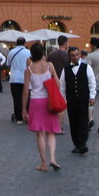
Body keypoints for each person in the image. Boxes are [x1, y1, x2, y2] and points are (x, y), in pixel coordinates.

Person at [21, 42, 62, 171]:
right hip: (49, 100)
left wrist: (24, 108)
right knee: (51, 132)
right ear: (43, 52)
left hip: (35, 101)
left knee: (39, 134)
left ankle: (44, 163)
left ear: (31, 54)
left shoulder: (29, 70)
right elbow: (58, 84)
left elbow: (26, 91)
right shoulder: (49, 66)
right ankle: (53, 158)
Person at [60, 46, 96, 155]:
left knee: (83, 121)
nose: (75, 57)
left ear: (79, 55)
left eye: (77, 55)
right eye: (73, 55)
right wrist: (63, 99)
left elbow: (92, 83)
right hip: (71, 100)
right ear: (69, 56)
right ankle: (77, 144)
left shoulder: (87, 67)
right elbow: (62, 86)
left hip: (83, 99)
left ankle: (82, 143)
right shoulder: (66, 69)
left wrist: (92, 97)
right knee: (73, 122)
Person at [6, 37, 31, 125]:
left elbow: (8, 64)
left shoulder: (11, 52)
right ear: (25, 43)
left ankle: (19, 118)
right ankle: (27, 115)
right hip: (25, 78)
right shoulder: (28, 52)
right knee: (27, 97)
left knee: (16, 98)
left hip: (14, 78)